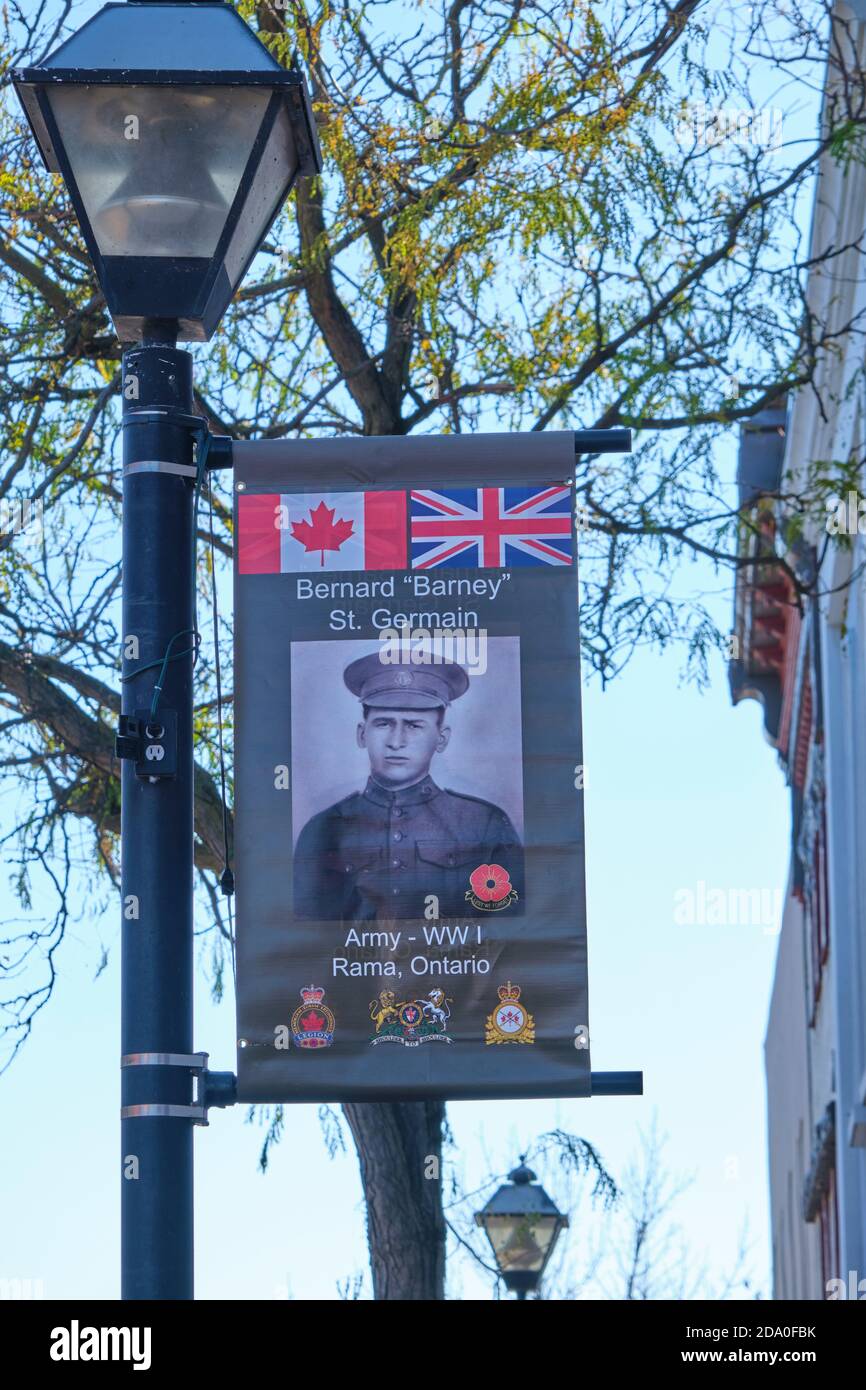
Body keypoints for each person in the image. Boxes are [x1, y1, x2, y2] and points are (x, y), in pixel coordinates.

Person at [293, 650, 524, 921]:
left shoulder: (484, 825)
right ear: (362, 733)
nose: (396, 740)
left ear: (441, 738)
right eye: (383, 723)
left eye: (414, 725)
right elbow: (304, 940)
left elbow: (513, 931)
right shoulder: (324, 828)